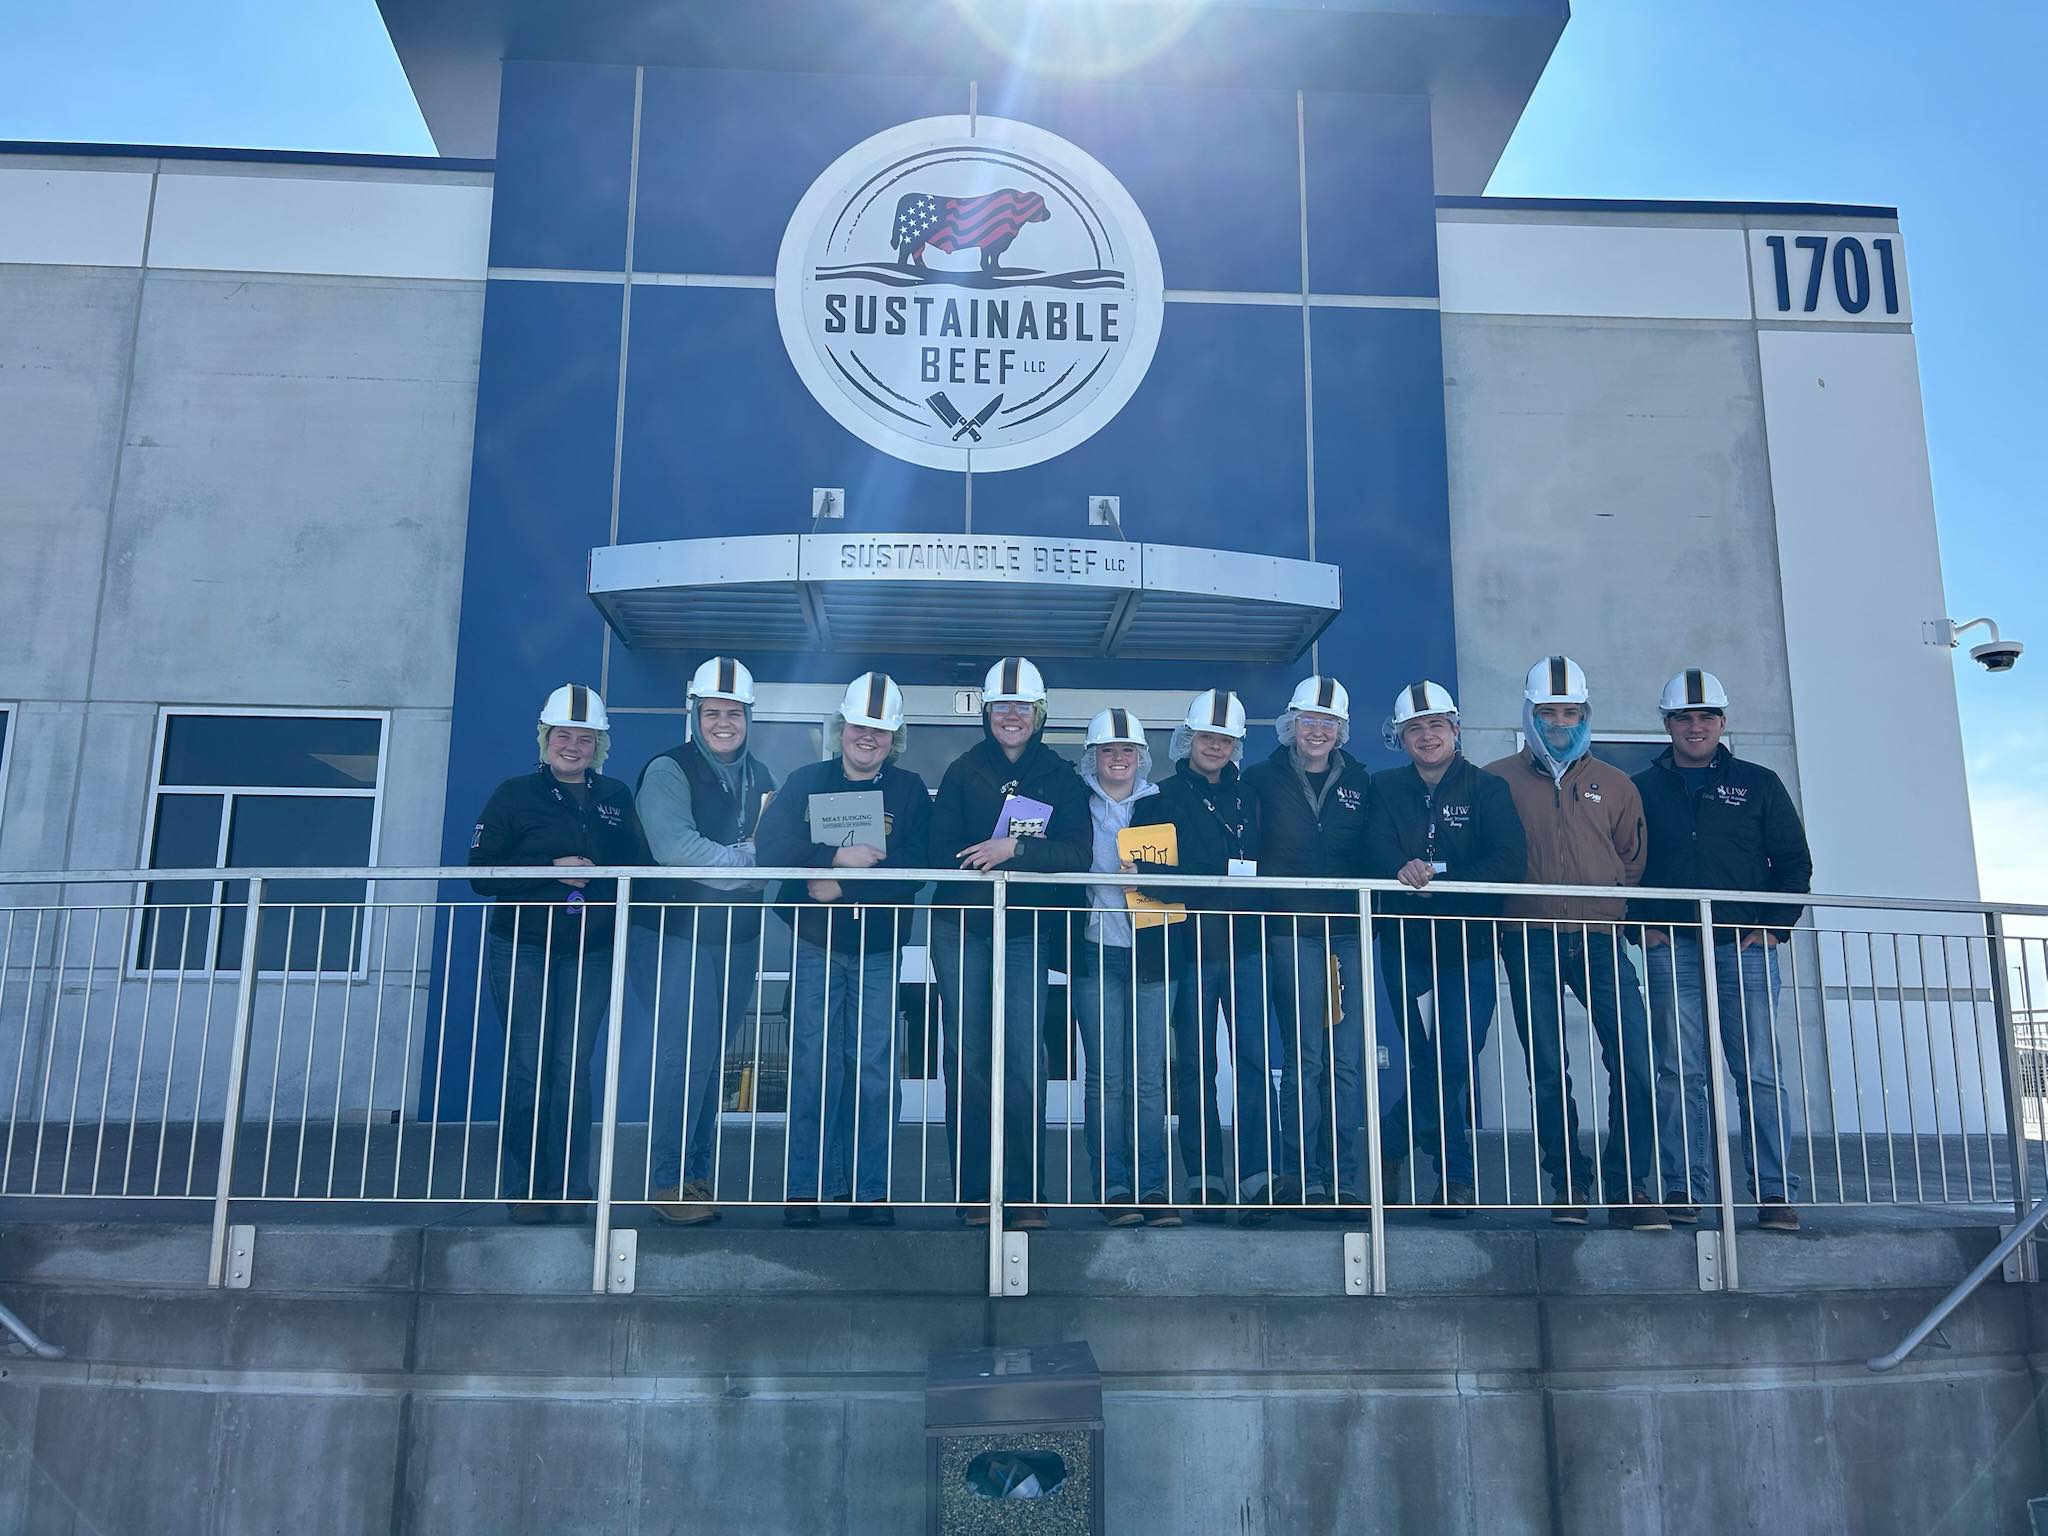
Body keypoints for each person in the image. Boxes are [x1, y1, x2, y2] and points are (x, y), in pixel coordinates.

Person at [1485, 657, 1668, 1230]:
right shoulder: (1498, 781)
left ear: (1585, 715)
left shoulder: (1615, 785)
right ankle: (1567, 1181)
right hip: (1530, 937)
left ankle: (1627, 1185)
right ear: (1529, 714)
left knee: (1637, 1062)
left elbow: (1631, 861)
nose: (1559, 722)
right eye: (1548, 713)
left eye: (1570, 712)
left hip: (1600, 938)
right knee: (1546, 1065)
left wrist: (1605, 904)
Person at [1633, 669, 1813, 1232]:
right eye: (1683, 717)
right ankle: (1683, 1185)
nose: (1695, 726)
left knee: (1758, 1071)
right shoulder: (1640, 788)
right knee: (1677, 1071)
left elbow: (1793, 863)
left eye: (1705, 716)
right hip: (1674, 948)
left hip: (1745, 948)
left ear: (1723, 722)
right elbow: (1624, 865)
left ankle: (1774, 1192)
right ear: (1666, 724)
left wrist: (1775, 926)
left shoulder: (1759, 784)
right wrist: (1645, 927)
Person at [467, 684, 649, 1224]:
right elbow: (479, 871)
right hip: (522, 945)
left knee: (573, 1067)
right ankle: (527, 1188)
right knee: (529, 1065)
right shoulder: (512, 793)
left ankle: (572, 1187)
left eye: (585, 737)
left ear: (600, 744)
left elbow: (638, 865)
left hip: (590, 948)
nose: (573, 745)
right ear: (545, 738)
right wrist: (549, 870)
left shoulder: (615, 796)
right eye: (563, 735)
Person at [756, 672, 931, 1225]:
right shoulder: (805, 780)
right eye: (860, 725)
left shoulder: (908, 790)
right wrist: (831, 859)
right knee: (812, 1063)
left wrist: (847, 884)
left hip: (878, 950)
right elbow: (772, 848)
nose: (868, 736)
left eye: (880, 729)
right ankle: (805, 1188)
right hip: (817, 945)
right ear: (842, 726)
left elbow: (918, 864)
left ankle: (868, 1189)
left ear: (893, 737)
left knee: (874, 1070)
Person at [928, 658, 1091, 1230]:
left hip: (1024, 932)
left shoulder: (1061, 775)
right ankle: (976, 1193)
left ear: (1039, 713)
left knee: (1024, 1060)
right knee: (969, 1058)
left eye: (1023, 706)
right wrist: (984, 852)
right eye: (1003, 706)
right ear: (988, 712)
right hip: (963, 931)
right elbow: (936, 849)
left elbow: (1077, 854)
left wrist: (1015, 852)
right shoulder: (962, 771)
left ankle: (1022, 1194)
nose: (1012, 716)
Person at [1367, 681, 1527, 1216]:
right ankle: (1457, 1180)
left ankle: (1390, 1147)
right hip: (1402, 943)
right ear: (1400, 738)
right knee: (1426, 1062)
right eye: (1415, 728)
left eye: (1436, 725)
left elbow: (1508, 862)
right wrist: (1397, 867)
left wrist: (1445, 879)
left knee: (1451, 1061)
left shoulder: (1487, 790)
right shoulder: (1383, 787)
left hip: (1468, 944)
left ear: (1455, 731)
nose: (1427, 736)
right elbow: (1372, 848)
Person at [630, 656, 776, 1226]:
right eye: (712, 712)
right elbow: (677, 850)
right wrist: (748, 863)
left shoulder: (761, 777)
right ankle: (668, 1181)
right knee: (682, 1056)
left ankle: (697, 1175)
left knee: (712, 1059)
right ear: (695, 715)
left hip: (734, 937)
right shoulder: (668, 769)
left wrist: (762, 860)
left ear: (747, 717)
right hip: (672, 935)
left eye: (733, 713)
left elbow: (778, 841)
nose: (723, 722)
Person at [1131, 689, 1276, 1224]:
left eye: (1226, 739)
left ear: (1237, 745)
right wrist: (1200, 889)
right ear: (1188, 739)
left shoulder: (1253, 796)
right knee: (1195, 1066)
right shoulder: (1156, 799)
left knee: (1257, 1064)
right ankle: (1205, 1179)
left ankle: (1260, 1178)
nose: (1215, 746)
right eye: (1207, 736)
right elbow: (1148, 881)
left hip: (1248, 946)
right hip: (1188, 949)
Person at [1241, 675, 1382, 1213]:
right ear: (1291, 724)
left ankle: (1343, 1179)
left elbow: (1376, 849)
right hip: (1291, 931)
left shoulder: (1363, 784)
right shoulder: (1259, 779)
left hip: (1345, 932)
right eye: (1309, 720)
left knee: (1346, 1062)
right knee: (1305, 1058)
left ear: (1341, 731)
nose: (1318, 730)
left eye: (1328, 722)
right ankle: (1303, 1176)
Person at [1069, 707, 1177, 1226]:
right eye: (1108, 750)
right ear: (1093, 756)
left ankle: (1152, 1187)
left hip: (1152, 952)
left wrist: (1153, 872)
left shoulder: (1165, 803)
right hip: (1095, 949)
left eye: (1127, 750)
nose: (1118, 759)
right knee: (1104, 1079)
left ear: (1141, 756)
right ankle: (1111, 1186)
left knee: (1150, 1079)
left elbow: (1190, 866)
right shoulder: (1075, 805)